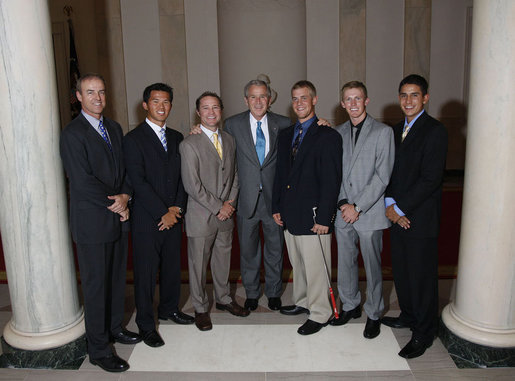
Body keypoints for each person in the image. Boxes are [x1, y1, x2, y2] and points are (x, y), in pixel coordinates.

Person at [60, 73, 140, 373]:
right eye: (90, 92)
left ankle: (114, 329)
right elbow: (81, 182)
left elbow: (126, 169)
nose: (98, 98)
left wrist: (126, 195)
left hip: (118, 220)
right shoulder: (73, 133)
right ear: (78, 96)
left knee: (117, 279)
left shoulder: (115, 128)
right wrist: (117, 203)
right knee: (96, 287)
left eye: (102, 92)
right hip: (93, 222)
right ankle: (98, 348)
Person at [381, 74, 448, 359]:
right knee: (403, 271)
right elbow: (389, 173)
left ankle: (424, 332)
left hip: (419, 217)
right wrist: (389, 204)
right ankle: (408, 316)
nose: (408, 101)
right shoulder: (395, 130)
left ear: (425, 98)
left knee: (421, 276)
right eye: (404, 95)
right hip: (397, 214)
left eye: (415, 95)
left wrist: (400, 209)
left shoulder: (435, 131)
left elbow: (430, 179)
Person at [123, 83, 193, 348]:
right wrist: (162, 212)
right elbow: (137, 181)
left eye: (166, 102)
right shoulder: (133, 139)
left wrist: (176, 209)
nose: (161, 107)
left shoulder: (177, 137)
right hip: (147, 219)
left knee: (172, 268)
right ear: (145, 105)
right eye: (155, 102)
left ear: (171, 106)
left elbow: (183, 177)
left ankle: (169, 309)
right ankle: (145, 324)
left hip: (173, 216)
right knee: (146, 273)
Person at [272, 80, 342, 335]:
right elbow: (280, 175)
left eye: (304, 98)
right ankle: (303, 301)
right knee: (298, 264)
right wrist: (276, 206)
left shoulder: (328, 135)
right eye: (295, 99)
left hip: (315, 216)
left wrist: (325, 217)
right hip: (290, 213)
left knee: (316, 267)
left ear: (314, 100)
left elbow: (331, 180)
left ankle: (321, 312)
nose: (299, 103)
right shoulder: (285, 135)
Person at [329, 81, 395, 340]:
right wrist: (344, 204)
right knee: (345, 263)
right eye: (348, 99)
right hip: (344, 212)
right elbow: (335, 173)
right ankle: (350, 305)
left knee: (372, 266)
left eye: (358, 98)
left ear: (366, 101)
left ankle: (375, 313)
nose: (353, 103)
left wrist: (357, 207)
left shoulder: (382, 132)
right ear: (342, 104)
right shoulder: (337, 132)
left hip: (369, 212)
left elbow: (382, 176)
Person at [179, 91, 249, 332]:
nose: (211, 112)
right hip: (201, 216)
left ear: (221, 110)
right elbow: (192, 185)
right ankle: (200, 308)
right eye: (206, 108)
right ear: (198, 112)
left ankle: (224, 299)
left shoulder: (229, 140)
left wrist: (230, 203)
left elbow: (235, 175)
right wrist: (220, 206)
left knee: (223, 260)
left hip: (226, 215)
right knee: (198, 264)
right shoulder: (189, 144)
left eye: (216, 107)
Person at [224, 80, 291, 311]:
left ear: (270, 99)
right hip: (245, 200)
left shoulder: (284, 123)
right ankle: (252, 293)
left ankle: (273, 293)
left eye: (263, 96)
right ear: (246, 100)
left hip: (274, 201)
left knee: (275, 249)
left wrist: (321, 123)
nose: (258, 101)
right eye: (253, 97)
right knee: (248, 251)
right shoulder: (232, 124)